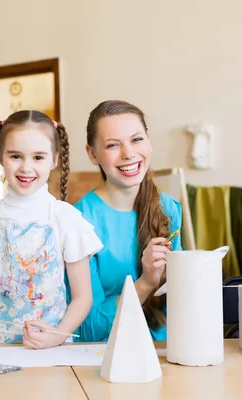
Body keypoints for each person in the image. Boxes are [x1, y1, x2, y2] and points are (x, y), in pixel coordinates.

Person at [0, 110, 102, 350]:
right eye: (15, 156)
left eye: (38, 157)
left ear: (55, 159)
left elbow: (82, 298)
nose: (26, 167)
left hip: (52, 352)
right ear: (1, 158)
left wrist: (57, 336)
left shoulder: (66, 219)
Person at [73, 100, 182, 342]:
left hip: (165, 353)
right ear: (92, 154)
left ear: (148, 140)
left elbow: (178, 305)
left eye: (136, 139)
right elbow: (89, 329)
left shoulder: (169, 208)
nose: (129, 154)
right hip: (102, 358)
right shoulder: (78, 221)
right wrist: (145, 282)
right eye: (113, 145)